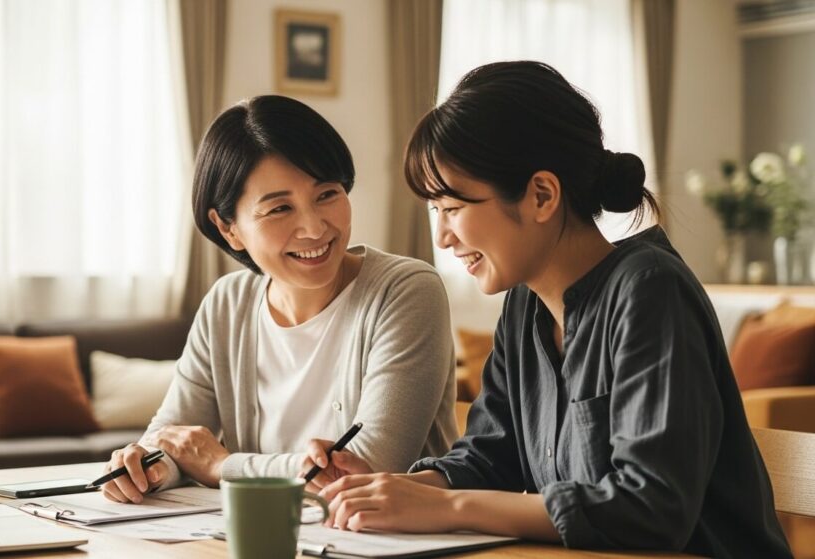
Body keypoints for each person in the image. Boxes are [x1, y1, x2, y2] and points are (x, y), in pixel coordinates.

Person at [310, 61, 791, 558]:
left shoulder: (650, 291)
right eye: (434, 211)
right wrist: (396, 488)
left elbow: (652, 508)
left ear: (542, 195)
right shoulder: (525, 304)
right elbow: (489, 457)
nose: (442, 237)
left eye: (453, 208)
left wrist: (448, 509)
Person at [101, 95, 458, 503]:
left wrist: (222, 466)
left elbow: (368, 465)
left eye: (327, 194)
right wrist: (149, 467)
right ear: (228, 228)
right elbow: (173, 437)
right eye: (279, 209)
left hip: (391, 542)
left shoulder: (406, 290)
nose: (313, 227)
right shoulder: (226, 305)